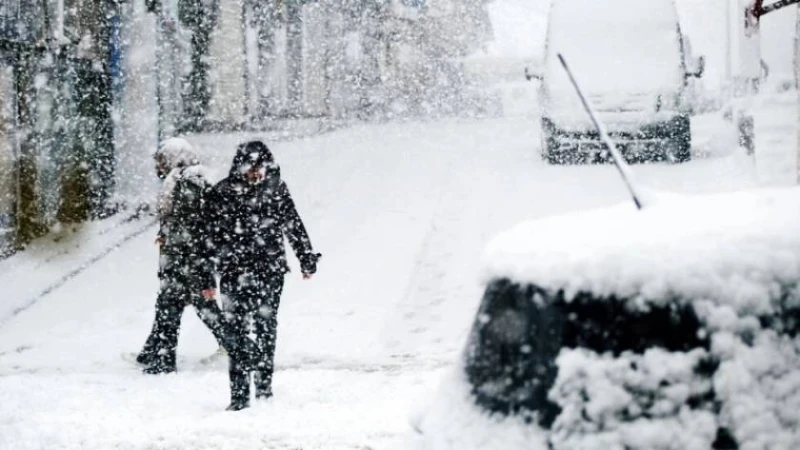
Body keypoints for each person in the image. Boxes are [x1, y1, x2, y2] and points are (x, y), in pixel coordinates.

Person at [207, 140, 320, 411]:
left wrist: (306, 258)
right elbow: (208, 239)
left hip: (270, 271)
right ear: (240, 166)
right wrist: (205, 277)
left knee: (266, 326)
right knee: (234, 330)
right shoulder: (222, 192)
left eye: (261, 167)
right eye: (251, 167)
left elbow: (293, 224)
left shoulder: (276, 190)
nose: (256, 173)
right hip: (234, 272)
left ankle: (264, 388)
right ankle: (239, 394)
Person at [136, 137, 230, 374]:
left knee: (178, 306)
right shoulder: (181, 179)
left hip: (187, 261)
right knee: (174, 306)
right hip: (182, 259)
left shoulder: (188, 182)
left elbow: (194, 225)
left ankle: (162, 359)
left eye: (161, 159)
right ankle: (155, 354)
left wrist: (195, 260)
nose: (158, 165)